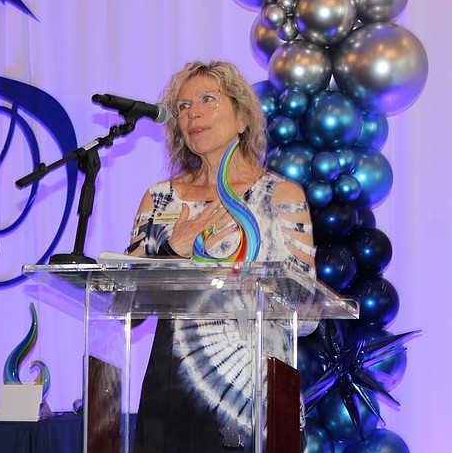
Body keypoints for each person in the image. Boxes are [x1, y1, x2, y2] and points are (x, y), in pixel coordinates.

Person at [126, 60, 316, 451]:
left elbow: (309, 315)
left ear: (243, 117)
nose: (192, 112)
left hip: (256, 396)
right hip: (172, 395)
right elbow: (129, 310)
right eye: (182, 106)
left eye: (208, 99)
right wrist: (172, 250)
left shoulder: (279, 197)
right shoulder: (160, 199)